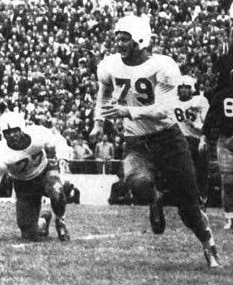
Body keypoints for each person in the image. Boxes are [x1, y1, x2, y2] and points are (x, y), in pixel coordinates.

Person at [89, 15, 220, 267]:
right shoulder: (110, 66)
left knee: (189, 204)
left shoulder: (162, 66)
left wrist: (129, 111)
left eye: (125, 38)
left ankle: (209, 246)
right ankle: (154, 199)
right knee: (137, 182)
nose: (119, 43)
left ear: (140, 40)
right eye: (117, 37)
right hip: (136, 141)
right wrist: (98, 122)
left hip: (168, 139)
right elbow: (103, 92)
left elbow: (165, 108)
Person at [0, 111, 72, 242]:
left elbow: (59, 141)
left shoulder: (37, 134)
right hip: (24, 184)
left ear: (22, 128)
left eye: (15, 130)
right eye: (7, 132)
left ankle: (60, 221)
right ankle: (43, 220)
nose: (12, 135)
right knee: (29, 234)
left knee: (57, 190)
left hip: (44, 171)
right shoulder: (0, 153)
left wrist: (63, 156)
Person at [169, 75, 210, 208]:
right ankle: (187, 199)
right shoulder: (172, 102)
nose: (184, 90)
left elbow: (208, 124)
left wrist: (195, 126)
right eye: (181, 87)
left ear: (192, 89)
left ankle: (202, 199)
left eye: (187, 87)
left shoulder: (200, 101)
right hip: (181, 140)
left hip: (198, 140)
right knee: (183, 170)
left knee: (200, 171)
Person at [202, 70, 233, 229]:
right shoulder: (221, 96)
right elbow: (210, 118)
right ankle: (229, 217)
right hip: (226, 141)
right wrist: (203, 136)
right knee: (227, 181)